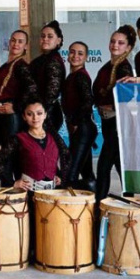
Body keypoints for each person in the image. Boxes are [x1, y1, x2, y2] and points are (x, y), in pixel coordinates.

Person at [93, 25, 136, 201]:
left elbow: (128, 95)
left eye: (120, 43)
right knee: (118, 163)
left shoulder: (124, 67)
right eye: (113, 41)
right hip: (107, 122)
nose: (115, 45)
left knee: (103, 166)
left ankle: (99, 203)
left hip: (117, 124)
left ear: (128, 47)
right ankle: (130, 200)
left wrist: (111, 106)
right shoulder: (108, 65)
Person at [0, 98, 70, 192]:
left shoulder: (54, 137)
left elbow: (66, 156)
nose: (35, 118)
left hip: (52, 193)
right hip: (28, 192)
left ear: (45, 115)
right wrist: (11, 182)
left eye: (39, 113)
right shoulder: (18, 138)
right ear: (24, 117)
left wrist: (61, 176)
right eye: (30, 114)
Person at [62, 41, 97, 191]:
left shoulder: (81, 76)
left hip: (83, 129)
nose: (75, 56)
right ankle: (96, 198)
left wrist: (75, 122)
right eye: (72, 52)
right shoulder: (72, 76)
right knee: (87, 174)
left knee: (70, 176)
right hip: (81, 129)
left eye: (80, 53)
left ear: (86, 57)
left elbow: (88, 101)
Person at [0, 29, 37, 145]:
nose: (16, 44)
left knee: (10, 149)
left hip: (12, 115)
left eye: (20, 41)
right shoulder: (5, 66)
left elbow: (32, 88)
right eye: (13, 40)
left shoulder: (22, 66)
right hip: (0, 114)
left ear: (25, 46)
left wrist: (16, 107)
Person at [29, 20, 66, 132]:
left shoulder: (54, 61)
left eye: (50, 36)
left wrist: (39, 113)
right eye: (43, 36)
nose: (45, 39)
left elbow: (51, 94)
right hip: (39, 112)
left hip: (47, 114)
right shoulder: (41, 60)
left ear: (58, 40)